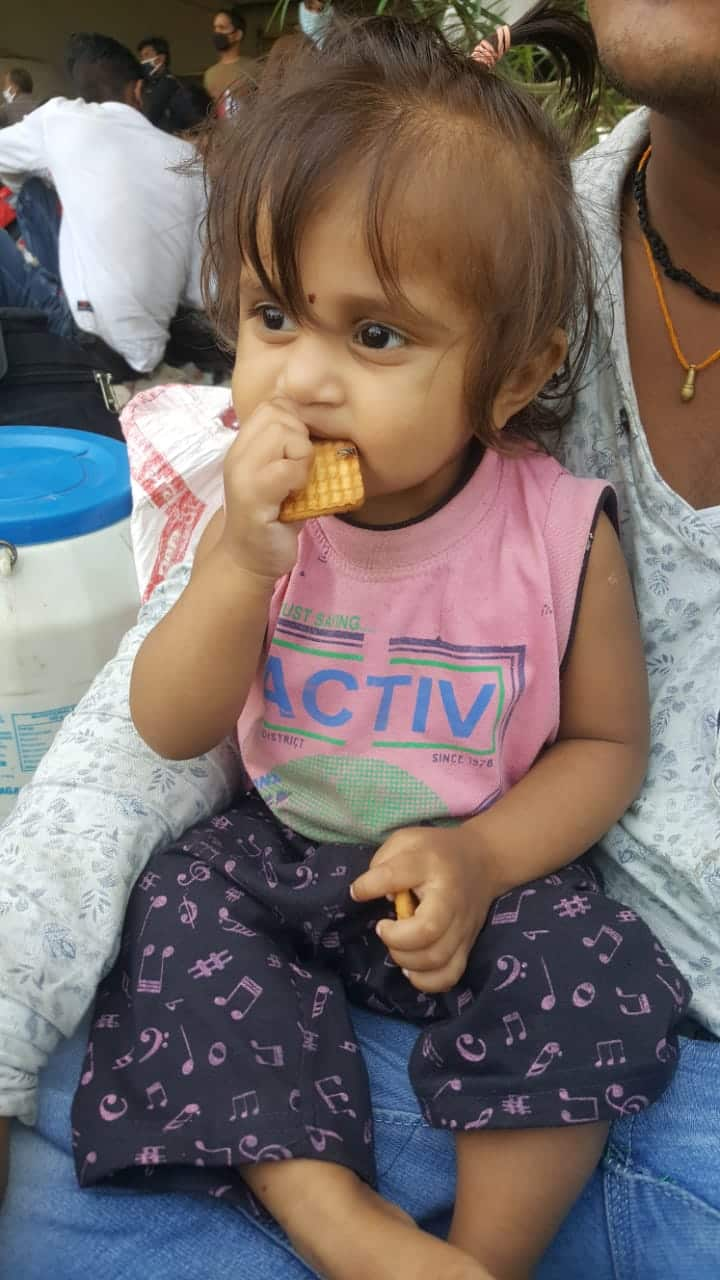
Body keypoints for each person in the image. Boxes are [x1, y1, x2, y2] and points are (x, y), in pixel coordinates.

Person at [0, 1, 718, 1278]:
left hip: (475, 881)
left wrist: (486, 854)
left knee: (599, 964)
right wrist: (233, 566)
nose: (302, 381)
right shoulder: (266, 519)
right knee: (175, 920)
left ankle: (485, 1254)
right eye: (276, 317)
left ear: (510, 375)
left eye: (376, 336)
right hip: (281, 860)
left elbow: (607, 744)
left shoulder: (558, 531)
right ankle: (331, 1211)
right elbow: (171, 723)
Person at [0, 33, 205, 375]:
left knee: (31, 192)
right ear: (138, 90)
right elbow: (200, 290)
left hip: (85, 338)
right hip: (151, 348)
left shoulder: (61, 120)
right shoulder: (190, 158)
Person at [137, 35, 212, 136]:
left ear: (160, 59)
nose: (142, 61)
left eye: (146, 55)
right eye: (141, 57)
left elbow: (149, 115)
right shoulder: (150, 85)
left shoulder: (169, 83)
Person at [204, 6, 257, 108]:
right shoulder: (209, 75)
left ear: (238, 35)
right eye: (215, 28)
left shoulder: (254, 69)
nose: (217, 32)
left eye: (222, 28)